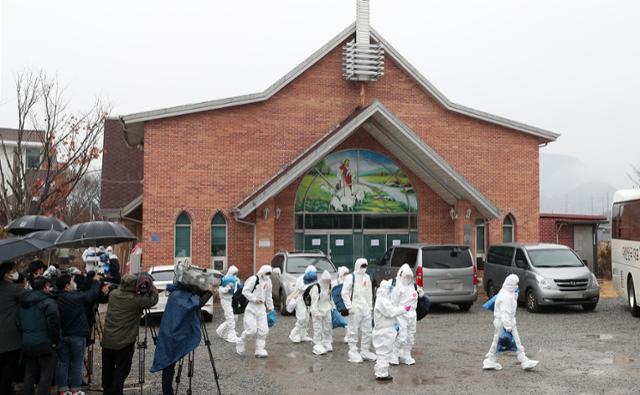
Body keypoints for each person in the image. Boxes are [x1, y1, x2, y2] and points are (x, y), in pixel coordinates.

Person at [151, 280, 214, 395]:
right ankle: (167, 392)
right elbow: (197, 303)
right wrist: (209, 292)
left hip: (169, 333)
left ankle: (167, 391)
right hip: (173, 336)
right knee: (168, 364)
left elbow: (195, 300)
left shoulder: (175, 292)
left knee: (169, 365)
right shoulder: (180, 295)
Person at [101, 274, 159, 395]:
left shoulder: (113, 295)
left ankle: (107, 390)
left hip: (108, 340)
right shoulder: (136, 300)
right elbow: (153, 300)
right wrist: (152, 289)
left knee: (108, 369)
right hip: (124, 343)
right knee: (122, 369)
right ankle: (116, 391)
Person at [54, 273, 107, 395]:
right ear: (67, 286)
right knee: (77, 363)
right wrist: (96, 282)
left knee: (63, 363)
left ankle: (62, 390)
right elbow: (91, 295)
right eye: (71, 281)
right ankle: (75, 390)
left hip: (62, 335)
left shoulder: (56, 297)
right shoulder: (74, 297)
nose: (74, 283)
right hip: (77, 335)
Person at [483, 274, 539, 371]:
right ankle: (524, 361)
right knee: (514, 342)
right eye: (515, 284)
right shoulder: (507, 296)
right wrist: (508, 326)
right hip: (505, 322)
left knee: (498, 341)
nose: (517, 286)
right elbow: (506, 312)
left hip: (502, 321)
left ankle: (491, 360)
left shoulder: (505, 292)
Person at [16, 276, 60, 395]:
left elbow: (18, 323)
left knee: (29, 374)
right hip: (45, 343)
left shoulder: (22, 302)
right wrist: (55, 341)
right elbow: (54, 324)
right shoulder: (49, 302)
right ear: (46, 286)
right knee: (46, 375)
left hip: (27, 343)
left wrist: (26, 336)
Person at [0, 261, 29, 394]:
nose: (14, 274)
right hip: (10, 336)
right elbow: (30, 298)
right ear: (6, 274)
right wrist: (27, 287)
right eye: (12, 271)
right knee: (10, 366)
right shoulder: (14, 289)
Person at [342, 258, 376, 363]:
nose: (364, 268)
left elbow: (369, 294)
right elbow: (344, 293)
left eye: (365, 266)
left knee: (368, 330)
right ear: (357, 265)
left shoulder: (367, 277)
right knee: (353, 330)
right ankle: (352, 351)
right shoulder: (350, 277)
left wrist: (370, 307)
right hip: (355, 307)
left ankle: (365, 351)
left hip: (365, 307)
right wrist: (349, 307)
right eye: (362, 266)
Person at [373, 280, 409, 381]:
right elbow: (391, 312)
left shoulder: (383, 299)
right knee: (384, 353)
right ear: (385, 289)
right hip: (383, 331)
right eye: (390, 289)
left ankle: (380, 371)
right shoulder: (382, 301)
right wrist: (404, 309)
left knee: (384, 353)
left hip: (385, 330)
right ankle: (382, 374)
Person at [236, 265, 274, 358]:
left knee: (263, 330)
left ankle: (260, 350)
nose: (268, 275)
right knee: (251, 330)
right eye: (267, 273)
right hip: (251, 308)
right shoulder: (253, 279)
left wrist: (270, 307)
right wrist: (254, 299)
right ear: (262, 272)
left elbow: (269, 295)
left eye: (270, 274)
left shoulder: (268, 282)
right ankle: (241, 341)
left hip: (261, 308)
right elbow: (245, 291)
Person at [390, 264, 423, 366]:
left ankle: (406, 355)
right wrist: (396, 314)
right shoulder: (398, 288)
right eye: (406, 276)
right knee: (402, 336)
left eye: (409, 277)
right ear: (401, 276)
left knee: (410, 336)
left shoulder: (413, 286)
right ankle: (394, 355)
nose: (408, 279)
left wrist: (420, 292)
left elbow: (420, 295)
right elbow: (393, 303)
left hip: (412, 315)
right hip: (402, 315)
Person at [288, 265, 316, 343]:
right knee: (302, 318)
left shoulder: (313, 279)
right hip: (300, 300)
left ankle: (303, 335)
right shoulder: (301, 279)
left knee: (306, 318)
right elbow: (303, 288)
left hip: (307, 300)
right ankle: (294, 334)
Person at [309, 270, 333, 355]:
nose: (328, 282)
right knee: (318, 328)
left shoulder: (329, 286)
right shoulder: (316, 287)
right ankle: (317, 344)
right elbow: (314, 302)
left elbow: (330, 298)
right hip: (318, 310)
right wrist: (315, 313)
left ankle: (326, 342)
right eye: (326, 281)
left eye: (329, 281)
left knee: (328, 327)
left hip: (327, 309)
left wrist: (332, 306)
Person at [216, 265, 240, 343]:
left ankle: (221, 330)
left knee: (235, 317)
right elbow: (220, 291)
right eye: (234, 273)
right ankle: (231, 336)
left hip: (233, 300)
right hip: (225, 301)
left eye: (236, 274)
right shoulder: (223, 280)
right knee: (230, 318)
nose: (235, 275)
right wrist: (228, 287)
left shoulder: (236, 280)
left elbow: (238, 290)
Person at [336, 266, 350, 344]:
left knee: (349, 322)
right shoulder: (336, 282)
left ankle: (347, 337)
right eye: (345, 274)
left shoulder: (349, 281)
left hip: (346, 305)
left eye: (347, 273)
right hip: (338, 304)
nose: (346, 275)